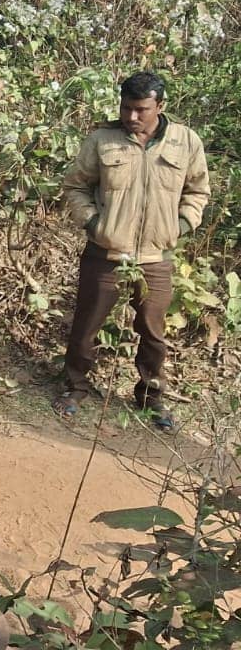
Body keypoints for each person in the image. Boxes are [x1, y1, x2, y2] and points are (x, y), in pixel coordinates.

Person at [56, 72, 209, 431]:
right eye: (126, 108)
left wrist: (181, 226)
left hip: (156, 258)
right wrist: (96, 226)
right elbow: (75, 186)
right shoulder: (101, 140)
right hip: (104, 253)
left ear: (161, 107)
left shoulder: (185, 142)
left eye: (141, 109)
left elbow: (198, 191)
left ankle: (151, 397)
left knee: (154, 332)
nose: (132, 117)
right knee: (86, 326)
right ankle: (74, 388)